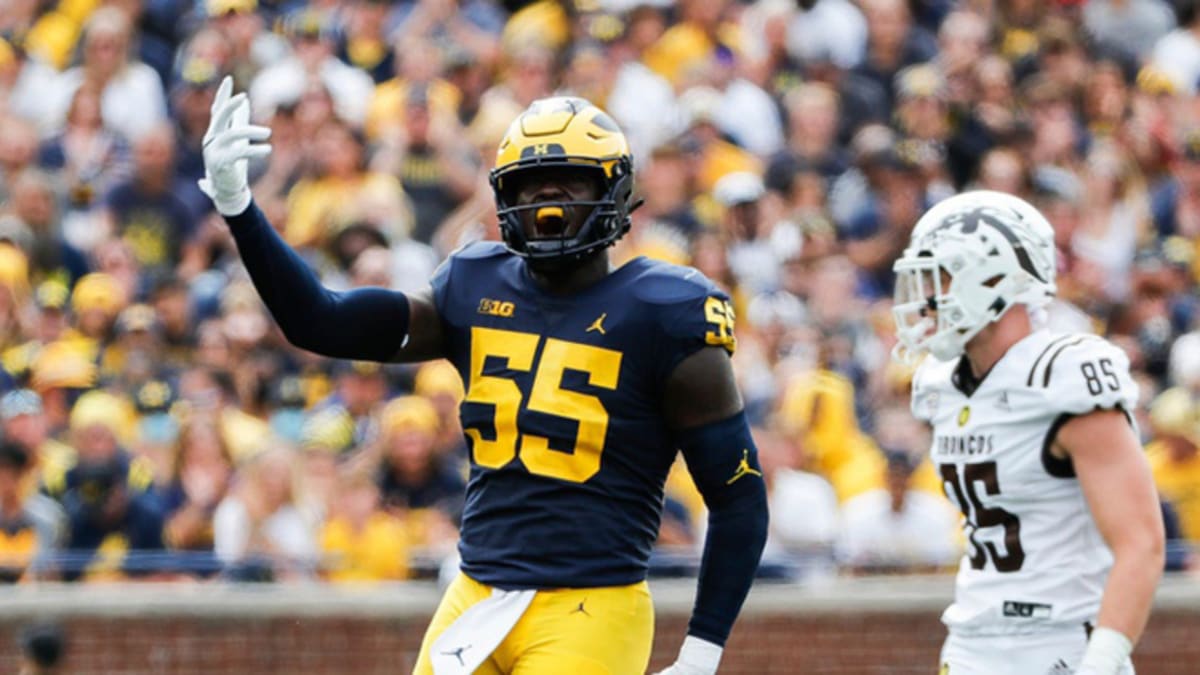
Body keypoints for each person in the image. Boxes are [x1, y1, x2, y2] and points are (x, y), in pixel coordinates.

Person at [199, 77, 767, 674]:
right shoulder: (473, 284)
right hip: (475, 595)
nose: (548, 205)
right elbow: (321, 321)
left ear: (617, 192)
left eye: (570, 183)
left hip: (590, 605)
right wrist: (241, 208)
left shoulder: (664, 311)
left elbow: (739, 496)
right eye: (529, 185)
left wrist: (702, 652)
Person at [891, 190, 1165, 675]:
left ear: (994, 277)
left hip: (1058, 644)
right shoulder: (944, 384)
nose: (926, 296)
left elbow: (1141, 542)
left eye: (942, 275)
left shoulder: (1062, 375)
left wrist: (1100, 663)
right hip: (971, 641)